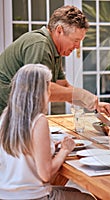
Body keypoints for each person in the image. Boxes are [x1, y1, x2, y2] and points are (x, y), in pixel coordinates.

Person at [0, 5, 110, 120]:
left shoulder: (55, 50)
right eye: (76, 40)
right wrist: (82, 95)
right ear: (59, 30)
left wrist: (93, 104)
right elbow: (39, 89)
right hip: (4, 115)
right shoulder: (40, 45)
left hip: (15, 116)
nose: (78, 46)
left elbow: (63, 86)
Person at [0, 64, 95, 199]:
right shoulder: (38, 120)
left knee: (76, 193)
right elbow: (45, 174)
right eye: (48, 88)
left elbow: (23, 153)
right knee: (88, 198)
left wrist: (49, 148)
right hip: (31, 196)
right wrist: (64, 150)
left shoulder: (5, 117)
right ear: (39, 91)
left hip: (6, 195)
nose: (50, 93)